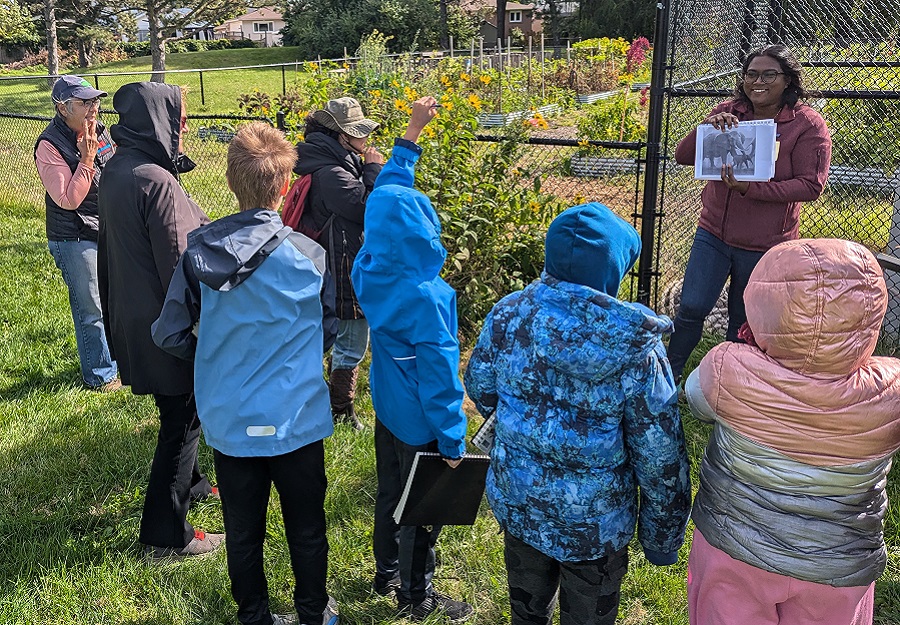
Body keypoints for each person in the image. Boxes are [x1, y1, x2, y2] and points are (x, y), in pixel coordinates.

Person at [464, 202, 692, 625]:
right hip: (595, 529)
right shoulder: (636, 350)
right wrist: (663, 536)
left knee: (525, 613)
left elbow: (480, 388)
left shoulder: (508, 315)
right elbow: (661, 457)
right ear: (615, 271)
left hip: (520, 504)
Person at [152, 122, 339, 625]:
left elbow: (168, 334)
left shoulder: (198, 255)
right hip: (295, 417)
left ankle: (254, 617)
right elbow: (329, 330)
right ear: (285, 187)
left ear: (232, 183)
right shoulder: (311, 256)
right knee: (307, 527)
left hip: (231, 419)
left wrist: (215, 355)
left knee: (242, 530)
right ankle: (314, 613)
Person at [685, 238, 900, 625]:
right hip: (837, 565)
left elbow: (695, 398)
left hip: (735, 548)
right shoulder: (891, 393)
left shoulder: (727, 369)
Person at [350, 96, 473, 622]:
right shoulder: (430, 297)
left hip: (386, 407)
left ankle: (385, 571)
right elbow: (442, 378)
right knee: (421, 511)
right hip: (422, 421)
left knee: (389, 492)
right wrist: (452, 439)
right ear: (429, 235)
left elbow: (389, 191)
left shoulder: (368, 269)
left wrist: (411, 135)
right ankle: (416, 595)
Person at [97, 82, 220, 558]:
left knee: (174, 412)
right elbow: (180, 268)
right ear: (159, 122)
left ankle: (193, 484)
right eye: (179, 118)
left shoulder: (120, 168)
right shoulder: (156, 180)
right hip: (167, 329)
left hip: (132, 316)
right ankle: (166, 535)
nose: (183, 127)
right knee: (182, 422)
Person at [667, 44, 832, 384]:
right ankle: (667, 378)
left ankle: (727, 389)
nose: (758, 81)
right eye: (751, 74)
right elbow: (684, 156)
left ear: (787, 81)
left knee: (742, 323)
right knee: (692, 308)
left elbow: (810, 186)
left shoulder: (806, 125)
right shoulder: (730, 112)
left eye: (769, 74)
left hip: (765, 244)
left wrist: (749, 189)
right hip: (713, 233)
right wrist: (707, 129)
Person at [294, 96, 385, 430]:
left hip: (335, 261)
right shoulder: (332, 171)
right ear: (340, 135)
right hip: (342, 266)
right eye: (358, 132)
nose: (365, 138)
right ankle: (341, 412)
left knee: (340, 337)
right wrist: (374, 169)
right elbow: (366, 208)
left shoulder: (333, 160)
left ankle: (327, 402)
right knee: (351, 339)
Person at [35, 75, 119, 391]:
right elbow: (67, 199)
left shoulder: (99, 131)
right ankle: (99, 375)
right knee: (91, 307)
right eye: (85, 102)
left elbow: (115, 168)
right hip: (73, 235)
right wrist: (86, 159)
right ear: (63, 108)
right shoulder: (49, 145)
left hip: (104, 226)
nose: (93, 108)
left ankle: (116, 361)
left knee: (111, 300)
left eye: (95, 100)